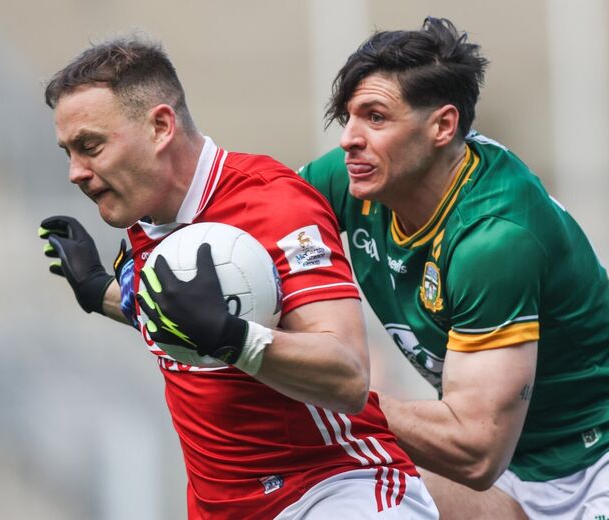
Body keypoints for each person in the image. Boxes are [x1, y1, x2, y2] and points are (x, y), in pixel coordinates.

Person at [298, 17, 609, 519]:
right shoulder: (352, 179)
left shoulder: (493, 236)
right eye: (348, 118)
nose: (349, 139)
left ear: (442, 127)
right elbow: (256, 219)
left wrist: (328, 388)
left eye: (376, 117)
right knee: (342, 480)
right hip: (514, 466)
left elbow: (475, 451)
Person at [37, 38, 438, 519]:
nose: (75, 173)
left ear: (161, 126)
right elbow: (189, 317)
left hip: (331, 492)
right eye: (68, 152)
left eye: (90, 147)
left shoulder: (274, 204)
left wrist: (233, 338)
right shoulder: (144, 221)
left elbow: (349, 373)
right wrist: (99, 291)